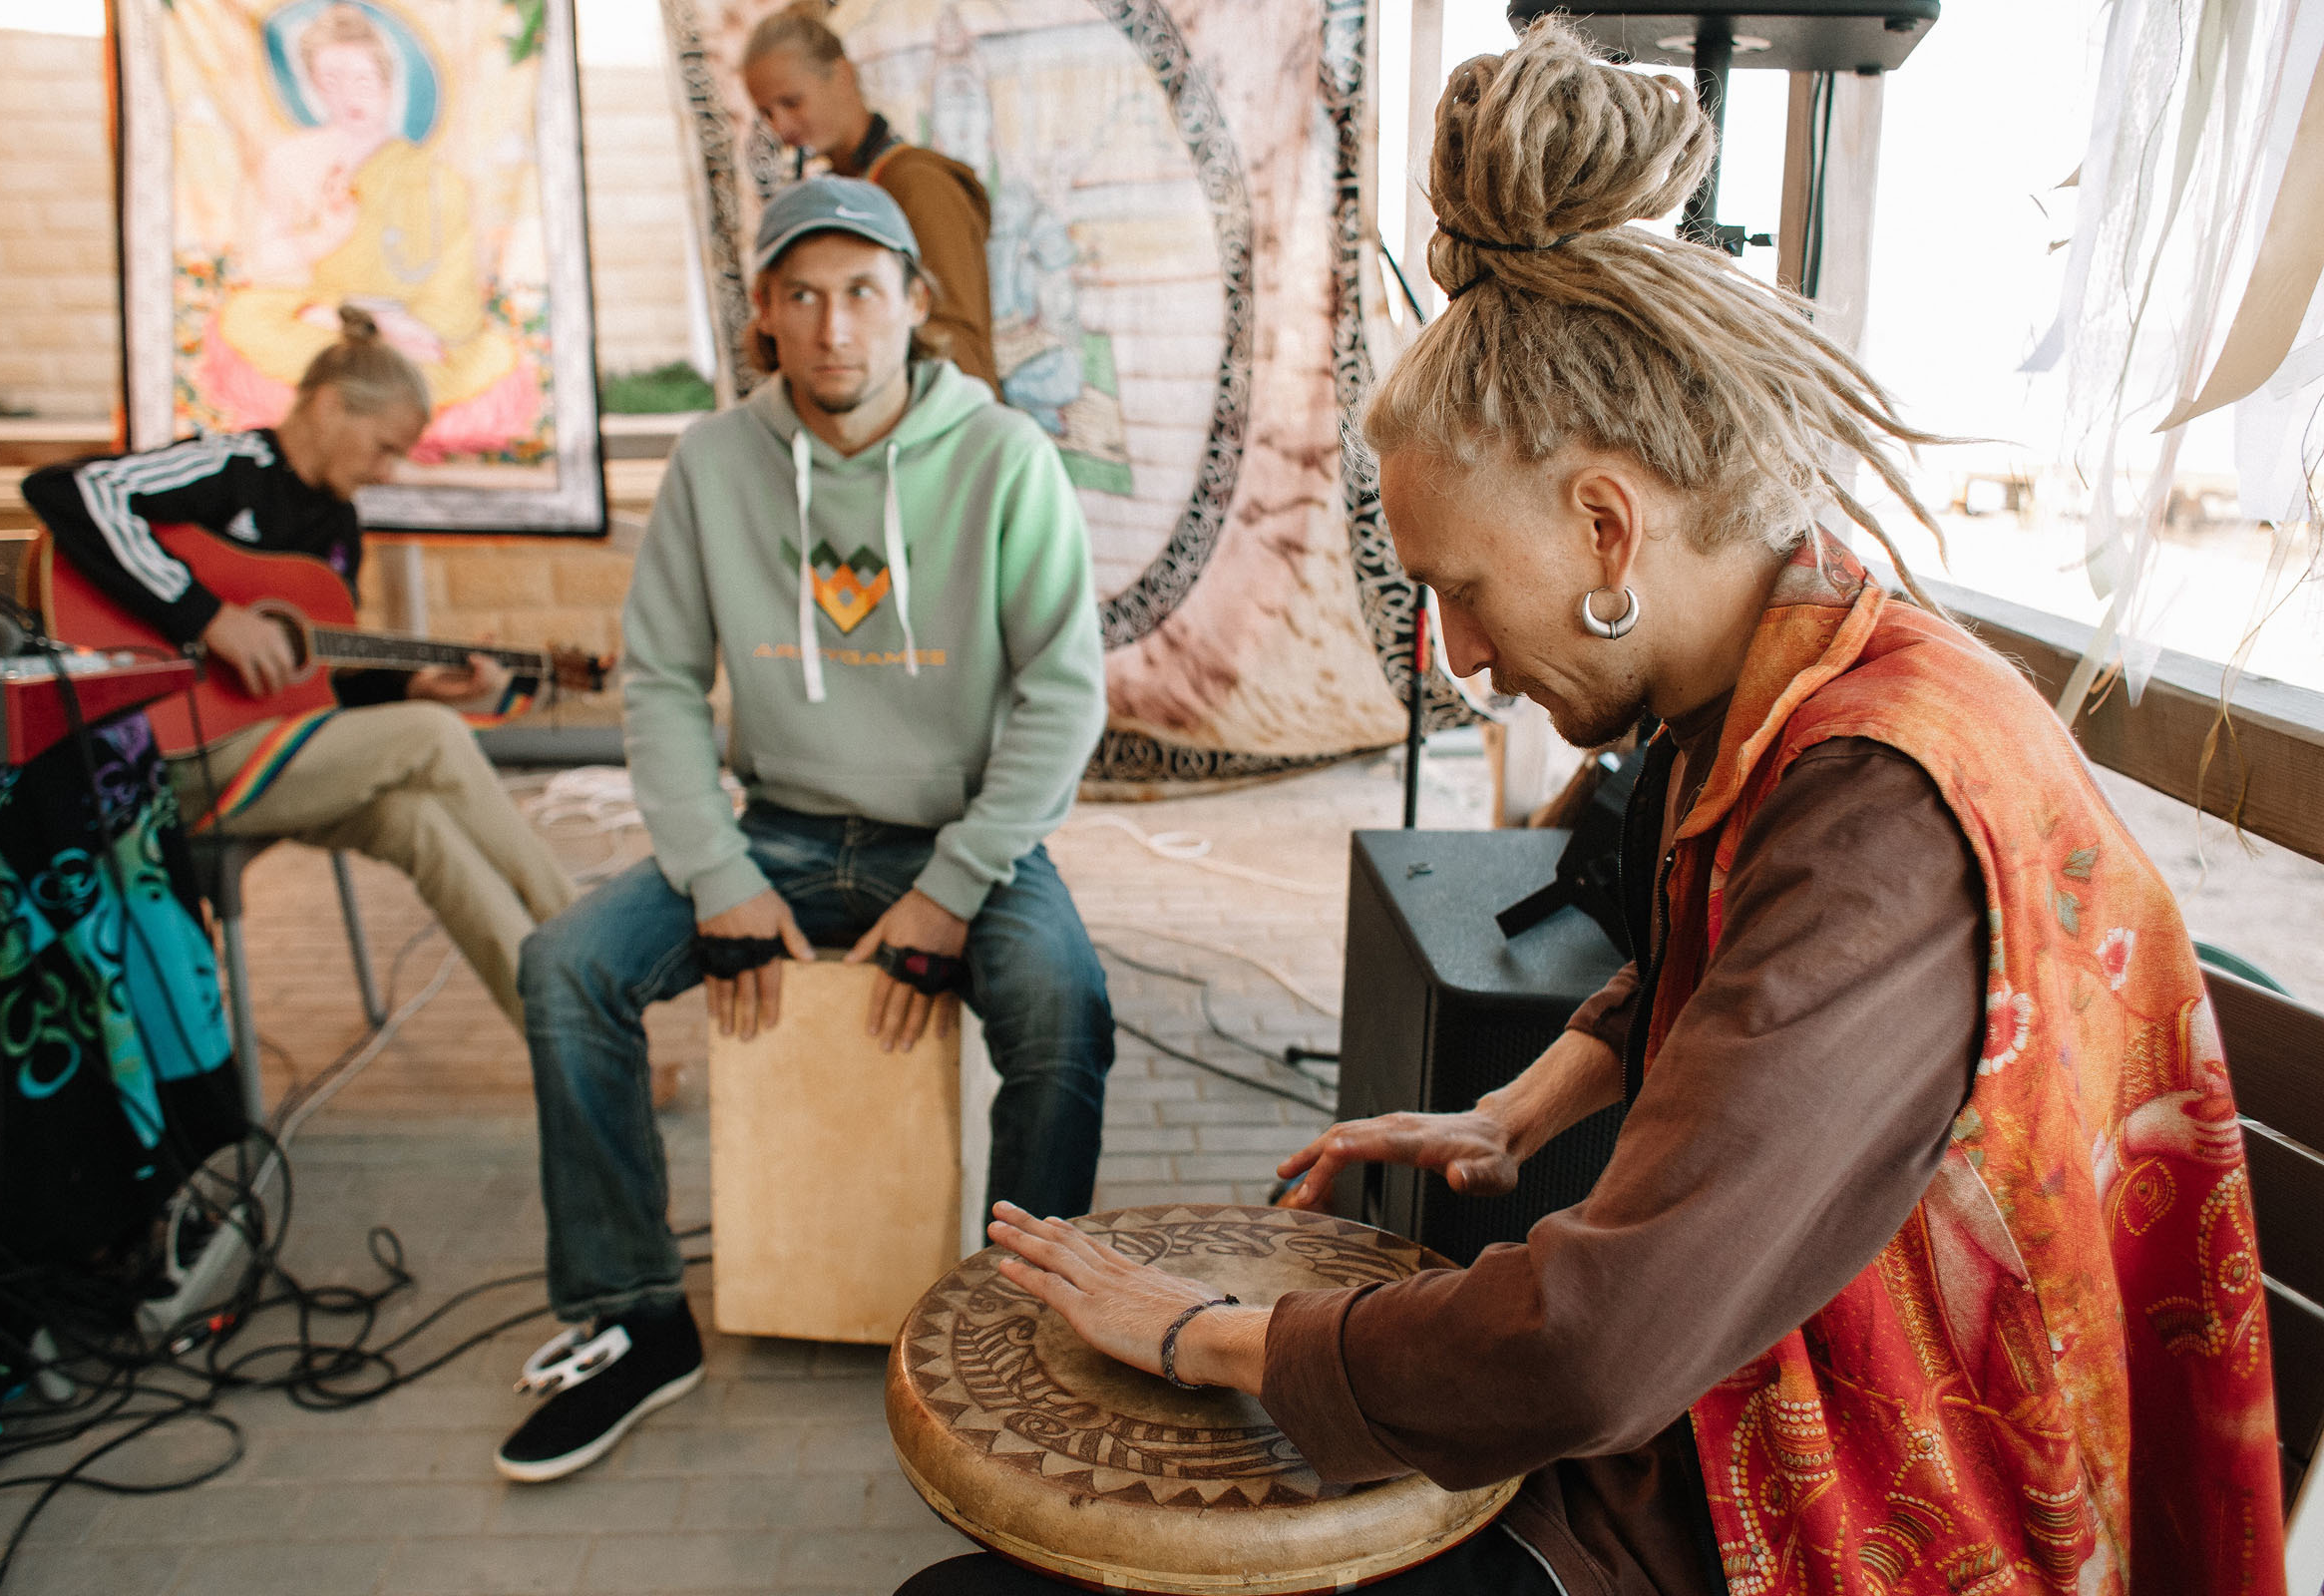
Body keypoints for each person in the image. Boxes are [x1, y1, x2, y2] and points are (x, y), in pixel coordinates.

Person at [945, 22, 2285, 1596]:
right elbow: (1729, 972)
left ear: (1602, 527)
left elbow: (1595, 1350)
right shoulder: (1809, 677)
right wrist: (1527, 1103)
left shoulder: (1882, 812)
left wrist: (1211, 1336)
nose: (1460, 658)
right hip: (1749, 1419)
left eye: (1460, 590)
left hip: (1862, 1514)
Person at [496, 177, 1111, 1484]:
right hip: (773, 832)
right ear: (766, 313)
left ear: (915, 307)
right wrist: (714, 873)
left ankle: (1031, 1324)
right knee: (567, 970)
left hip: (954, 834)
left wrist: (953, 889)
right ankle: (632, 1315)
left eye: (862, 293)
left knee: (1062, 1001)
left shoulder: (1004, 460)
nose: (835, 326)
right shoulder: (715, 465)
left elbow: (1064, 696)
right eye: (804, 295)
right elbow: (658, 679)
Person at [27, 309, 576, 1034]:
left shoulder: (339, 529)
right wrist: (211, 620)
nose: (386, 473)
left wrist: (411, 685)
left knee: (418, 819)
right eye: (384, 449)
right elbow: (71, 492)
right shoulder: (229, 469)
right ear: (329, 404)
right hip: (162, 763)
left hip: (268, 753)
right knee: (434, 738)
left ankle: (568, 1037)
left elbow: (321, 671)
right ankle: (585, 938)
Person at [205, 2, 536, 460]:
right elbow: (263, 264)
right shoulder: (291, 161)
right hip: (317, 322)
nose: (348, 97)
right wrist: (325, 236)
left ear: (389, 82)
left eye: (362, 80)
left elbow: (453, 296)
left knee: (482, 362)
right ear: (311, 85)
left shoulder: (436, 179)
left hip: (408, 335)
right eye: (330, 81)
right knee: (243, 323)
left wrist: (399, 328)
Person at [741, 1, 1000, 389]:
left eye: (792, 102)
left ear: (842, 75)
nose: (780, 126)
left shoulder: (917, 184)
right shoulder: (841, 187)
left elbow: (961, 348)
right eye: (766, 113)